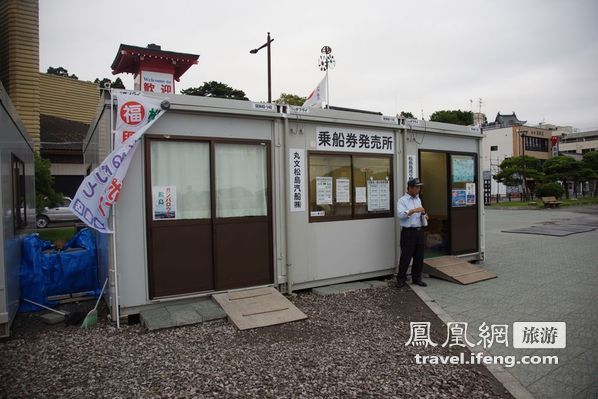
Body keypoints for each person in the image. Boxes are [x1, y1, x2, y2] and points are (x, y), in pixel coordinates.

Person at [396, 178, 428, 288]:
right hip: (408, 232)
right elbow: (400, 215)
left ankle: (417, 278)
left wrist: (424, 214)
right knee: (406, 256)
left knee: (419, 257)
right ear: (410, 188)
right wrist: (414, 210)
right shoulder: (402, 200)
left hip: (419, 231)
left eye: (419, 187)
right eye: (416, 187)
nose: (418, 189)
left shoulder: (418, 199)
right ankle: (401, 279)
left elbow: (421, 212)